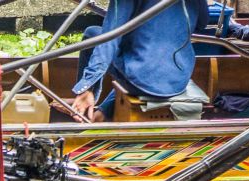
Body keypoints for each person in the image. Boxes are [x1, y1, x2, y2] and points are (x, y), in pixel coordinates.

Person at [70, 0, 211, 122]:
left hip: (143, 79)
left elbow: (108, 41)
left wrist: (86, 86)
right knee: (139, 64)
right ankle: (102, 112)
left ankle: (85, 101)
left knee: (91, 33)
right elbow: (202, 22)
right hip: (179, 78)